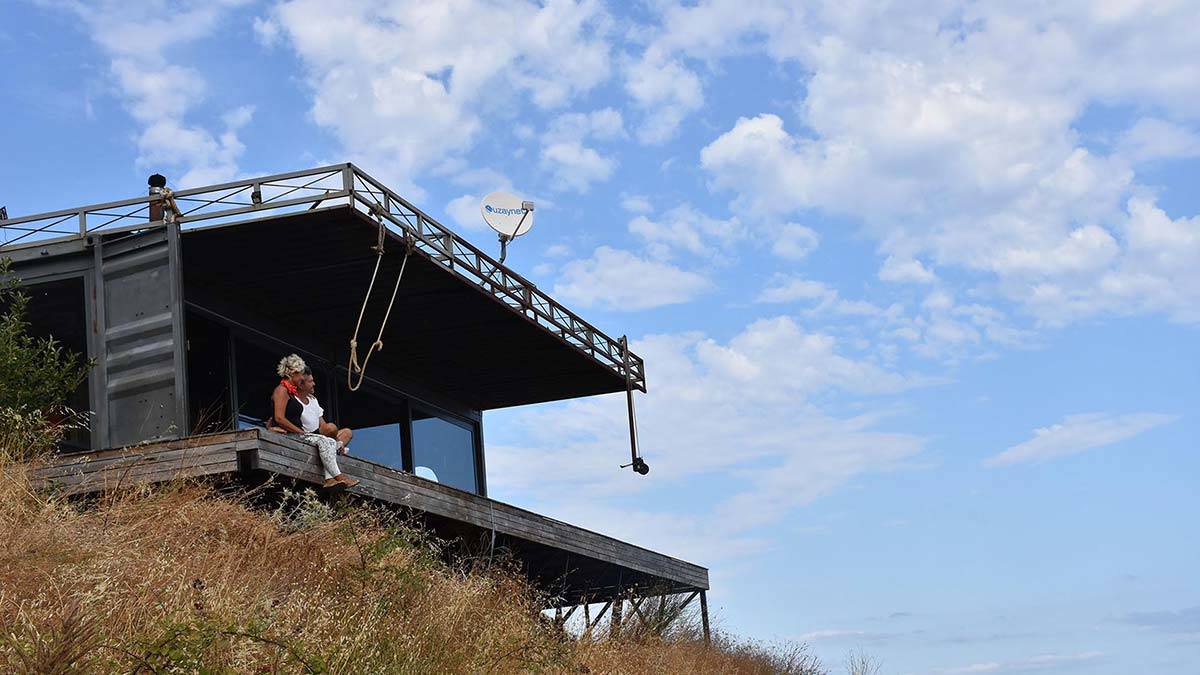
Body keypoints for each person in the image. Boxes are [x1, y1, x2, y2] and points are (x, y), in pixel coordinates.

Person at [271, 354, 359, 489]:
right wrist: (300, 432)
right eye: (300, 374)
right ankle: (340, 477)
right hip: (294, 435)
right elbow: (278, 418)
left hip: (296, 434)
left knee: (329, 440)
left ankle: (330, 479)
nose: (301, 378)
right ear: (292, 373)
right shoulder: (281, 390)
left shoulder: (289, 392)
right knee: (325, 440)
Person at [296, 368, 353, 452]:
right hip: (307, 437)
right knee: (331, 428)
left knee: (347, 432)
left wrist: (336, 439)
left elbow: (323, 425)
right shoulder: (294, 401)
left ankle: (336, 447)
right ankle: (337, 448)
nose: (314, 384)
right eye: (310, 381)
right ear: (301, 385)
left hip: (319, 435)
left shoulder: (313, 400)